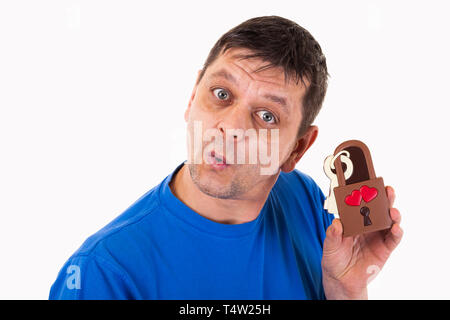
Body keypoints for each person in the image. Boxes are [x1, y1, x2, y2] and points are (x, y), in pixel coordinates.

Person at [49, 15, 403, 300]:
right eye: (221, 93)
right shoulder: (103, 274)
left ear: (296, 149)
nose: (229, 128)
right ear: (192, 98)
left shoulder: (306, 202)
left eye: (266, 116)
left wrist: (347, 290)